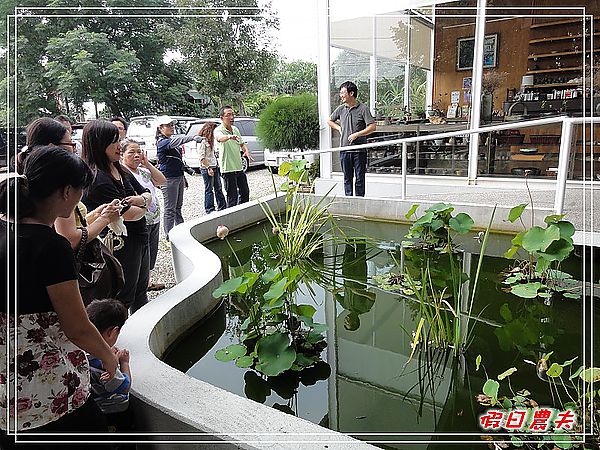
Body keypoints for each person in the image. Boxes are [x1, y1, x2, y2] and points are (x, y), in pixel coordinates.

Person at [0, 146, 117, 449]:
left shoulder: (5, 232)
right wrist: (107, 356)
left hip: (6, 380)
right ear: (66, 191)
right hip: (43, 381)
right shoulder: (51, 247)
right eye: (79, 190)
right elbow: (76, 326)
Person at [81, 120, 153, 313]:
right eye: (114, 141)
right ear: (99, 144)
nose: (119, 145)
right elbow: (129, 215)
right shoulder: (98, 178)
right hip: (122, 244)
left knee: (140, 290)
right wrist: (143, 203)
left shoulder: (118, 169)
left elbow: (146, 191)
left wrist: (141, 200)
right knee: (123, 296)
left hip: (139, 237)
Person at [17, 117, 121, 250]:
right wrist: (105, 219)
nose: (75, 149)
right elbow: (70, 238)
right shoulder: (55, 184)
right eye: (70, 144)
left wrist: (95, 215)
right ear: (52, 147)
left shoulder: (36, 176)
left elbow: (72, 226)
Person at [121, 138, 167, 291]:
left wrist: (147, 164)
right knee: (142, 252)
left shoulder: (144, 172)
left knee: (152, 251)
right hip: (140, 220)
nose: (136, 155)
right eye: (131, 152)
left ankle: (147, 280)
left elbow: (162, 180)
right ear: (122, 154)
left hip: (154, 218)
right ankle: (142, 283)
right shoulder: (123, 173)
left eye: (139, 152)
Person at [85, 299, 132, 428]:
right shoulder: (106, 363)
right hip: (114, 410)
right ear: (112, 332)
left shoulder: (82, 352)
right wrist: (124, 363)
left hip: (93, 407)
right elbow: (124, 386)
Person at [156, 115, 203, 237]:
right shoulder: (162, 142)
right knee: (170, 209)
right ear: (160, 128)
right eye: (168, 125)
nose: (172, 127)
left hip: (178, 177)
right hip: (168, 179)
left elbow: (178, 161)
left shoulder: (170, 140)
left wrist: (187, 173)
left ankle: (181, 229)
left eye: (172, 125)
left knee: (178, 207)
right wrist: (192, 137)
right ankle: (169, 234)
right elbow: (178, 140)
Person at [327, 80, 376, 197]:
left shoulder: (363, 109)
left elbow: (372, 127)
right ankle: (349, 201)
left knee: (359, 179)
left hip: (359, 150)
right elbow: (329, 120)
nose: (341, 95)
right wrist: (338, 128)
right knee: (347, 178)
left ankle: (359, 201)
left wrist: (357, 134)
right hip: (344, 150)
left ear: (351, 93)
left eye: (343, 93)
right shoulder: (341, 109)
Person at [214, 106, 254, 207]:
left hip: (238, 167)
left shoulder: (235, 129)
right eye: (228, 115)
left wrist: (246, 151)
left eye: (232, 114)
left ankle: (243, 214)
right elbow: (219, 138)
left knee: (245, 192)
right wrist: (229, 136)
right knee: (232, 196)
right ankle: (232, 220)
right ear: (221, 118)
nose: (231, 117)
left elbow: (241, 144)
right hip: (227, 169)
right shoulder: (218, 130)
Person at [198, 121, 226, 214]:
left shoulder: (212, 141)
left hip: (215, 166)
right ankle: (210, 209)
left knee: (218, 188)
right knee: (209, 189)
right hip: (207, 168)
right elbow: (202, 157)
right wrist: (208, 168)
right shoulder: (203, 141)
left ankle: (222, 206)